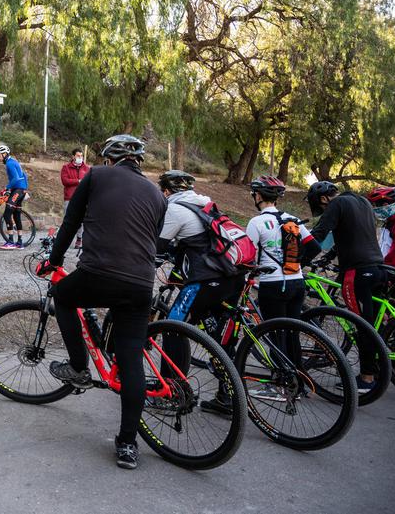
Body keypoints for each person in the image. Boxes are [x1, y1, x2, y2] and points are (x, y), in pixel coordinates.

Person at [37, 134, 167, 469]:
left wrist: (54, 260)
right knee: (131, 360)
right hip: (140, 284)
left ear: (109, 158)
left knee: (63, 296)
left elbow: (70, 222)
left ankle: (79, 368)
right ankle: (127, 444)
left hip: (100, 272)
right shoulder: (156, 192)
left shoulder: (95, 175)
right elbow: (153, 237)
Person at [155, 170, 250, 409]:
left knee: (173, 326)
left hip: (207, 279)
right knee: (220, 335)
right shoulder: (206, 206)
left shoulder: (175, 210)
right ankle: (227, 397)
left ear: (166, 191)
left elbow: (156, 250)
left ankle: (172, 393)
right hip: (233, 276)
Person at [306, 181, 383, 393]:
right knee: (374, 323)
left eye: (321, 208)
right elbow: (349, 236)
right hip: (377, 268)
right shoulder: (362, 202)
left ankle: (367, 378)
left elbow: (319, 234)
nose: (324, 210)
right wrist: (329, 257)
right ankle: (382, 369)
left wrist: (298, 259)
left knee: (362, 326)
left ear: (323, 199)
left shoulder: (336, 204)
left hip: (357, 273)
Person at [245, 176, 320, 323]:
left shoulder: (256, 223)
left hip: (272, 284)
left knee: (277, 335)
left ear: (258, 196)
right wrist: (297, 264)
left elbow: (247, 256)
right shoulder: (292, 219)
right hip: (297, 282)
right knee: (293, 334)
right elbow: (314, 247)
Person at [367, 186, 395, 268]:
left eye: (375, 205)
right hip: (388, 270)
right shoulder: (389, 222)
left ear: (385, 205)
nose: (374, 209)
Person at [0, 144, 29, 249]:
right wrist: (24, 188)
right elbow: (24, 175)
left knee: (7, 213)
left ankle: (10, 241)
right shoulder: (13, 162)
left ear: (5, 154)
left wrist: (6, 188)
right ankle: (20, 242)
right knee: (16, 215)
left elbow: (16, 178)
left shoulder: (10, 163)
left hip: (18, 190)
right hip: (20, 190)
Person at [60, 147, 90, 251]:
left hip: (83, 198)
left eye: (81, 156)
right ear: (73, 156)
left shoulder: (87, 168)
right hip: (69, 197)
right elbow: (65, 181)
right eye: (78, 155)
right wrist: (78, 181)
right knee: (67, 219)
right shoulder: (66, 167)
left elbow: (89, 182)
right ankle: (64, 241)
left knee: (81, 220)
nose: (80, 157)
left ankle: (79, 239)